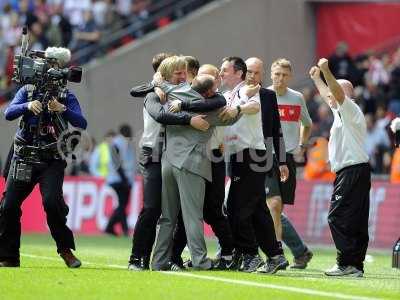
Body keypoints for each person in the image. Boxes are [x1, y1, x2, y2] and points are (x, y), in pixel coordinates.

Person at [0, 47, 87, 268]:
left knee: (51, 203)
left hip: (51, 159)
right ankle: (9, 256)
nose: (51, 70)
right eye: (49, 65)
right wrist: (27, 105)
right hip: (24, 156)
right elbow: (8, 113)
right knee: (9, 205)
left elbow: (81, 123)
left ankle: (65, 250)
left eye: (56, 66)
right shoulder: (27, 90)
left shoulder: (67, 95)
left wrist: (62, 109)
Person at [150, 56, 237, 271]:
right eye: (179, 72)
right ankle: (200, 260)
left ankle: (159, 261)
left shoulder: (167, 94)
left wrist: (157, 83)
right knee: (192, 216)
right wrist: (240, 110)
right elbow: (227, 115)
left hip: (168, 161)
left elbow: (156, 103)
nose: (184, 75)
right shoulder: (205, 104)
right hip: (192, 163)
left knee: (167, 216)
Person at [219, 56, 288, 273]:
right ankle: (275, 256)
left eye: (224, 70)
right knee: (258, 209)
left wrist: (237, 109)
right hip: (239, 155)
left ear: (238, 72)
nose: (221, 74)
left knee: (237, 208)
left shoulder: (248, 90)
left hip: (252, 155)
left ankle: (250, 255)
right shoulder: (228, 94)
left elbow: (254, 108)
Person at [310, 58, 371, 277]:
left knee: (336, 217)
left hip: (352, 171)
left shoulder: (350, 108)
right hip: (356, 170)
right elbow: (330, 95)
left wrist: (326, 70)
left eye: (338, 93)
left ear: (348, 96)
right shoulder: (340, 112)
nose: (331, 97)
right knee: (355, 220)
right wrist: (317, 78)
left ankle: (345, 263)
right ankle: (355, 266)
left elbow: (335, 93)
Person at [265, 58, 314, 269]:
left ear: (290, 77)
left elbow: (308, 124)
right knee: (273, 206)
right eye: (277, 74)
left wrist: (302, 145)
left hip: (289, 157)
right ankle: (276, 254)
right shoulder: (262, 96)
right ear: (271, 74)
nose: (280, 78)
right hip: (264, 157)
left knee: (276, 210)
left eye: (284, 75)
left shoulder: (297, 98)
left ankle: (300, 252)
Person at [104, 124, 135, 237]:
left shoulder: (122, 143)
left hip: (121, 179)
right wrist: (125, 179)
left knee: (122, 205)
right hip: (120, 179)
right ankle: (124, 230)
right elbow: (116, 163)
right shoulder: (118, 143)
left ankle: (109, 228)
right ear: (125, 132)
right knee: (122, 205)